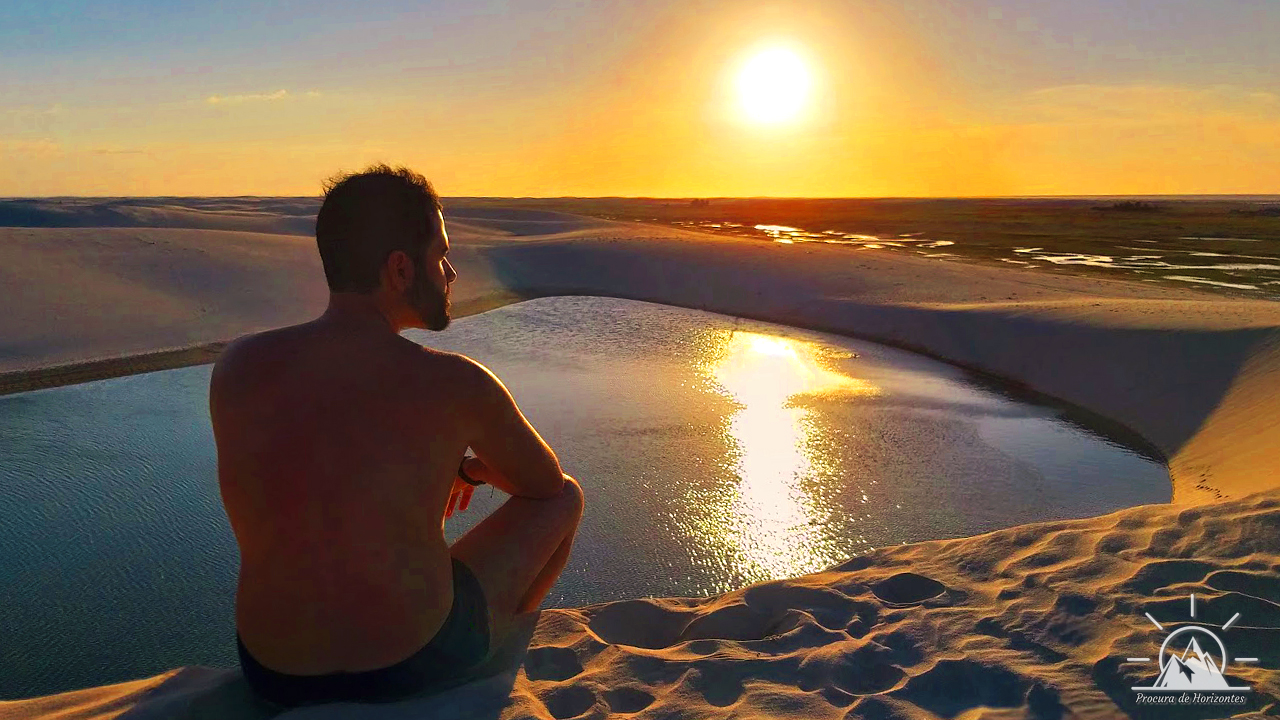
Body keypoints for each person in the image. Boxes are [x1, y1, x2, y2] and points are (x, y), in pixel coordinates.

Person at [210, 164, 585, 708]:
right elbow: (544, 484)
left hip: (273, 671)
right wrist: (472, 470)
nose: (451, 273)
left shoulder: (239, 365)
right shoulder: (455, 381)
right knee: (567, 497)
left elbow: (327, 464)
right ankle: (494, 658)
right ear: (401, 269)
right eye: (441, 256)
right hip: (409, 666)